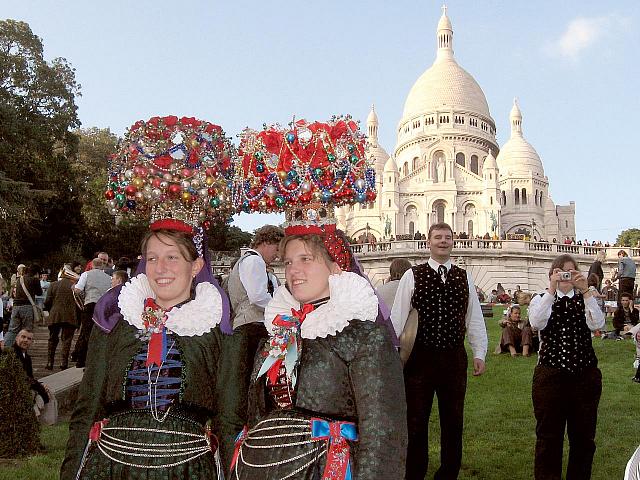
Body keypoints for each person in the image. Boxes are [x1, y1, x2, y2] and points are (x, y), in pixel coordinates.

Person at [61, 114, 245, 480]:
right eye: (152, 258)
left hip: (188, 470)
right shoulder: (114, 319)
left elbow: (229, 420)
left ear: (195, 267)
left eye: (173, 257)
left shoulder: (219, 331)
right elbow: (87, 411)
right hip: (111, 467)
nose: (160, 268)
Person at [232, 231, 406, 479]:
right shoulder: (277, 334)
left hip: (327, 468)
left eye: (306, 259)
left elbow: (384, 432)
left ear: (335, 268)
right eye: (288, 262)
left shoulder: (363, 336)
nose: (293, 270)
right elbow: (257, 415)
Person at [391, 222, 488, 480]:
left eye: (447, 237)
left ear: (453, 242)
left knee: (453, 422)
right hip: (420, 360)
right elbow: (398, 317)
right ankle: (414, 474)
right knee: (416, 423)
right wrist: (392, 355)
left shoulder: (464, 276)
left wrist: (480, 352)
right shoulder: (412, 275)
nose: (443, 241)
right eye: (438, 237)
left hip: (453, 360)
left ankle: (448, 474)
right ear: (429, 242)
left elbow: (474, 317)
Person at [529, 254, 605, 480]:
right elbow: (536, 322)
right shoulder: (541, 298)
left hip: (584, 375)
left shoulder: (586, 298)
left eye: (571, 272)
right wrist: (551, 291)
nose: (565, 276)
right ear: (551, 274)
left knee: (583, 438)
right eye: (560, 272)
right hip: (550, 375)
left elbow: (598, 324)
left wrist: (586, 291)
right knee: (548, 436)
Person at [227, 224, 284, 387]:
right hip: (251, 327)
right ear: (265, 242)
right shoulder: (254, 260)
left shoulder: (248, 260)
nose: (278, 255)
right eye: (277, 248)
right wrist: (281, 312)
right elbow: (258, 296)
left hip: (246, 326)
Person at [71, 258, 112, 368]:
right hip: (103, 307)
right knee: (100, 333)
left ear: (91, 265)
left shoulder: (86, 274)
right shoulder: (109, 278)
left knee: (86, 333)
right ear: (102, 266)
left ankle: (82, 360)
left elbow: (78, 290)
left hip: (90, 305)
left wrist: (75, 288)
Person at [44, 266, 80, 370]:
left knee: (52, 339)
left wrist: (51, 311)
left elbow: (47, 302)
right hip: (70, 316)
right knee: (67, 340)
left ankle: (50, 362)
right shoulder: (75, 286)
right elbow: (79, 304)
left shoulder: (53, 285)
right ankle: (63, 363)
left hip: (55, 315)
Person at [4, 264, 43, 348]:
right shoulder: (34, 280)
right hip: (27, 307)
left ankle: (6, 348)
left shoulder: (19, 279)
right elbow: (39, 292)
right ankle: (22, 351)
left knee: (12, 330)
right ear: (36, 273)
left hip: (16, 307)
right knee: (27, 331)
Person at [12, 329, 50, 405]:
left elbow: (30, 377)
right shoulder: (12, 355)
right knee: (41, 399)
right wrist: (40, 388)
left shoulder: (27, 357)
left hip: (26, 388)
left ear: (31, 342)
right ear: (17, 338)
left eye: (29, 339)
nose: (26, 340)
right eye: (23, 337)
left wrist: (40, 386)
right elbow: (22, 377)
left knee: (49, 394)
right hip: (15, 392)